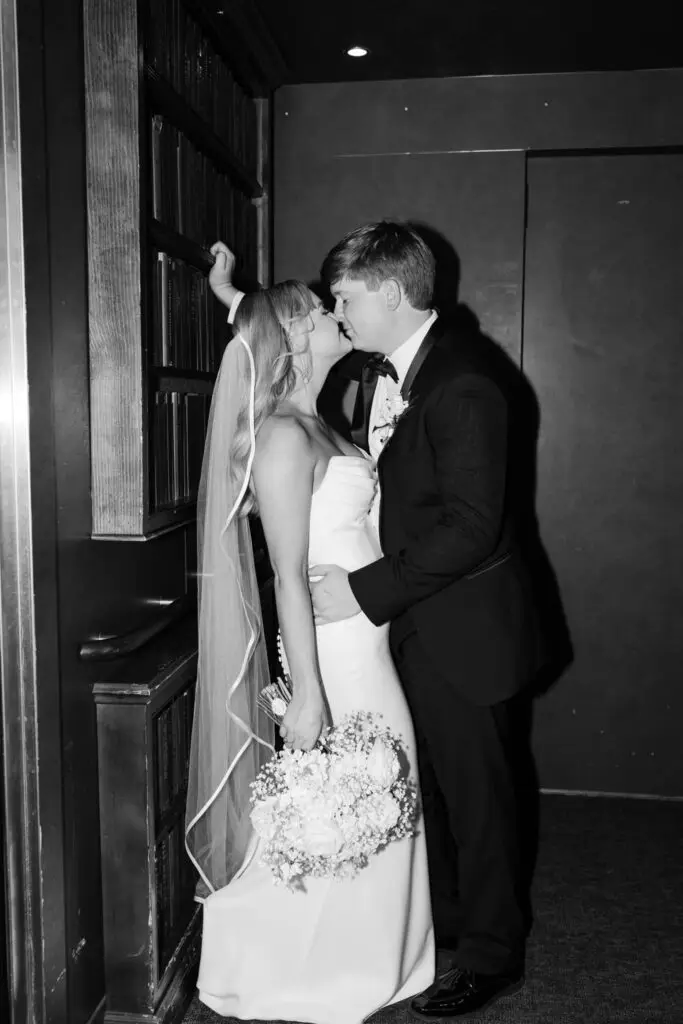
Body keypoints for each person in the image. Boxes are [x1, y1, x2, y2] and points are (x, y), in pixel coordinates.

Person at [184, 243, 434, 1024]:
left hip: (366, 636)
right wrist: (308, 695)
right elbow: (289, 573)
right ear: (293, 339)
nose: (335, 315)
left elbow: (256, 328)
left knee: (377, 793)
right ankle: (290, 967)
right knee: (348, 797)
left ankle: (372, 955)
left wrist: (230, 292)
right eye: (319, 313)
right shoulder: (285, 438)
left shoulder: (317, 421)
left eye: (338, 306)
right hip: (334, 651)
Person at [310, 221, 544, 1019]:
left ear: (386, 291)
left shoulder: (463, 381)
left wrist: (364, 592)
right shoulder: (390, 370)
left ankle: (491, 957)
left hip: (464, 628)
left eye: (344, 297)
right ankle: (446, 927)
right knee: (435, 791)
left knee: (478, 798)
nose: (336, 313)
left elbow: (472, 526)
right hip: (417, 619)